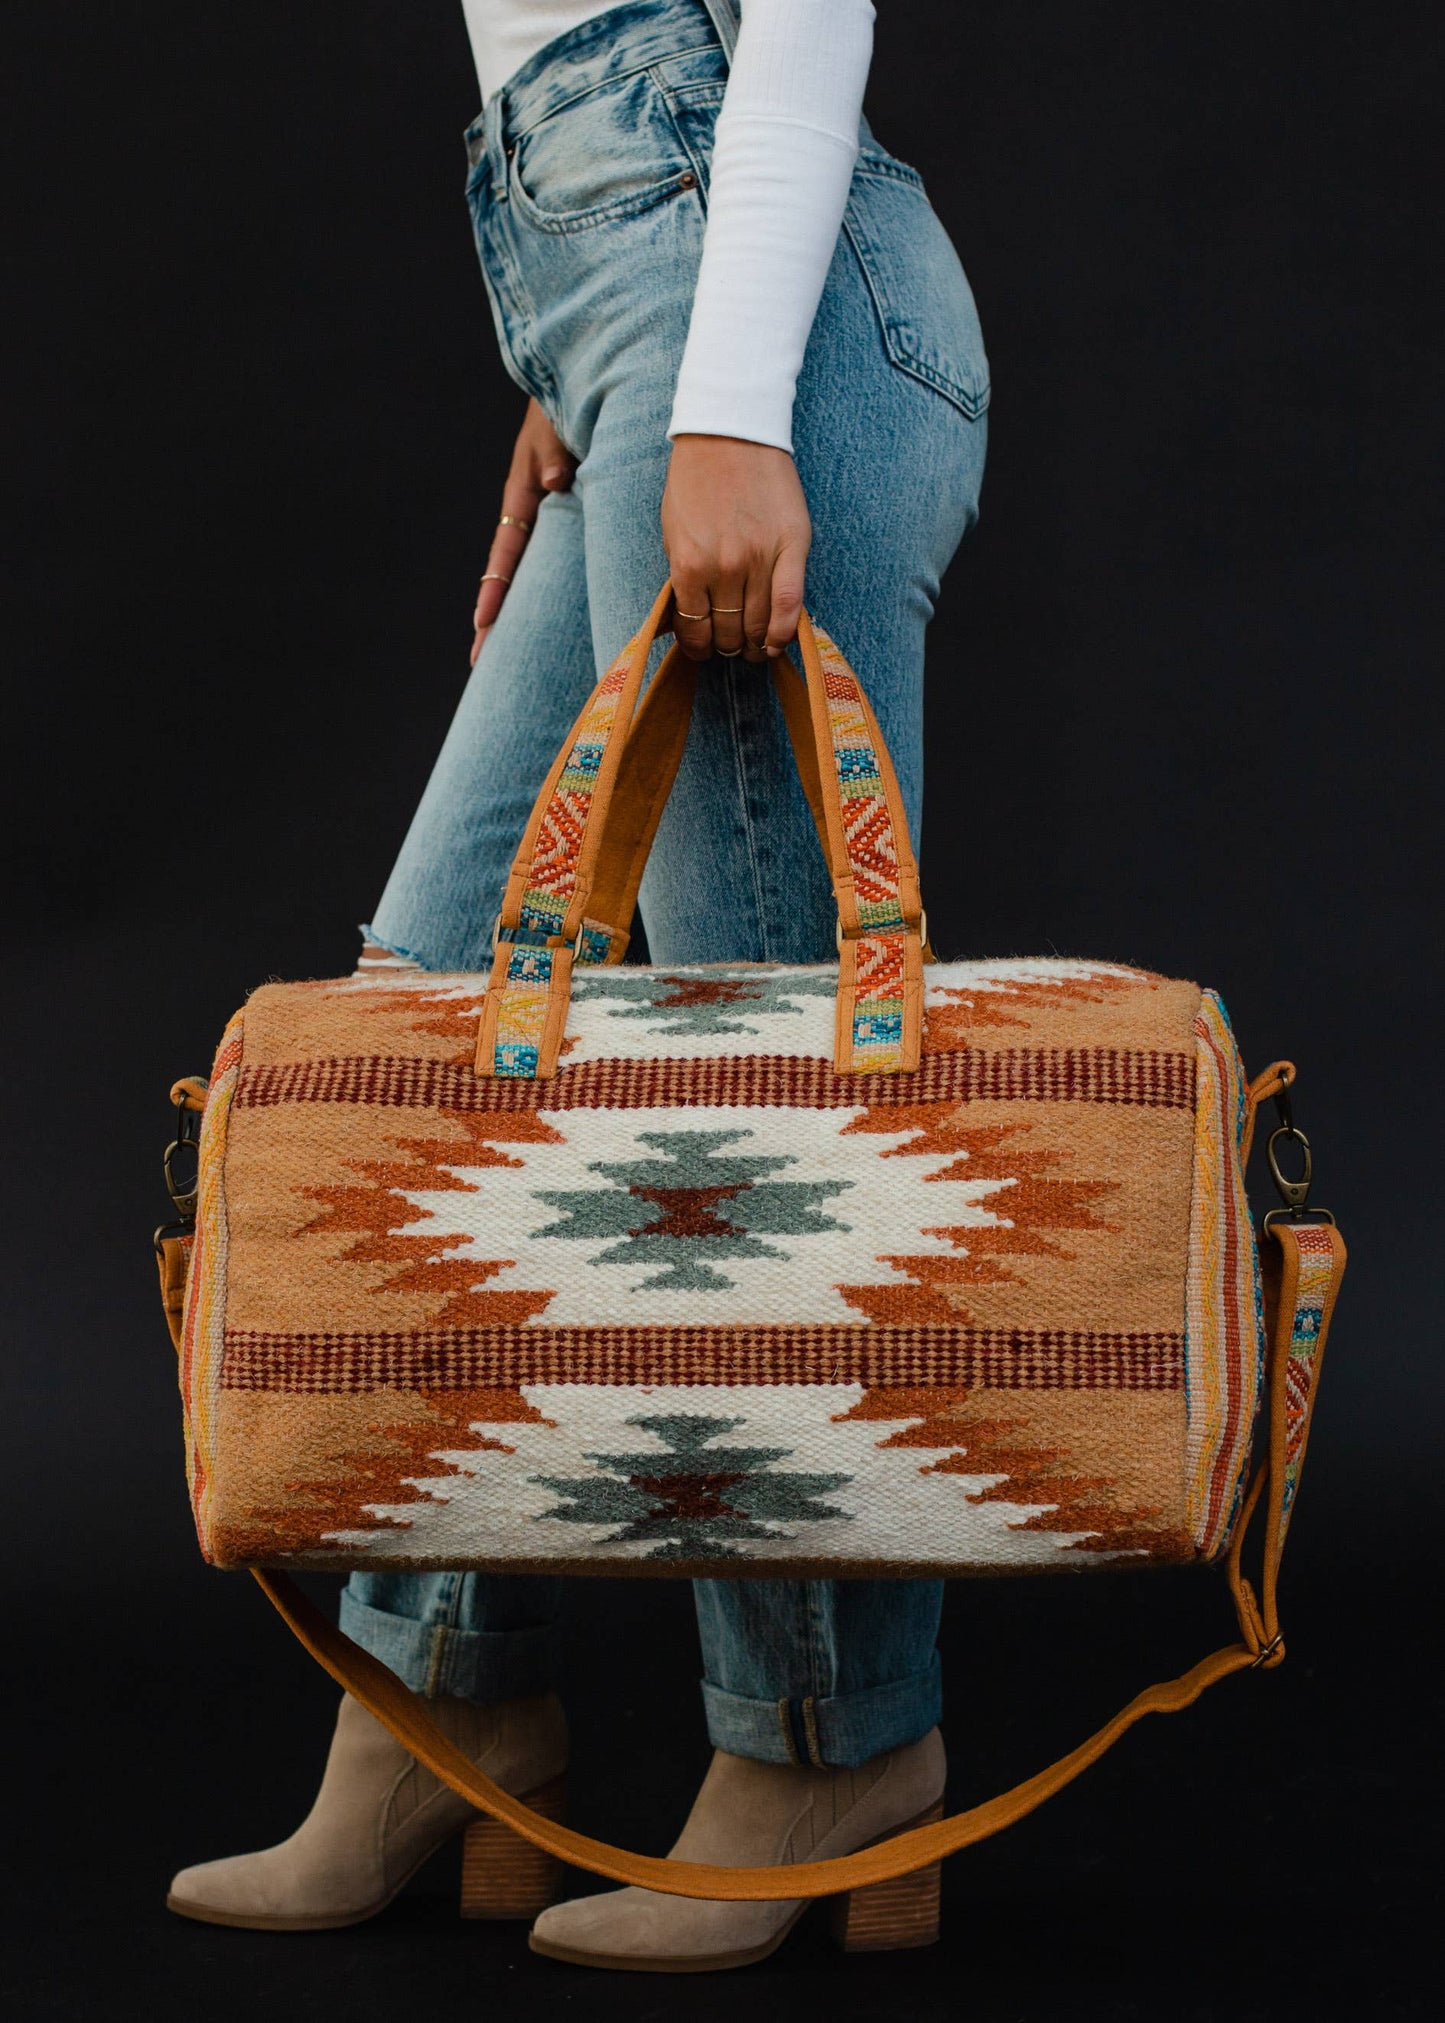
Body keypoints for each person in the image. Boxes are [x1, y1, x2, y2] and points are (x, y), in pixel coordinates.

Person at [168, 0, 988, 1971]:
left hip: (750, 305)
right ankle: (442, 1701)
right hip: (641, 306)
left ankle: (828, 1741)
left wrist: (718, 392)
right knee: (427, 1040)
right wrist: (588, 358)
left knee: (755, 1087)